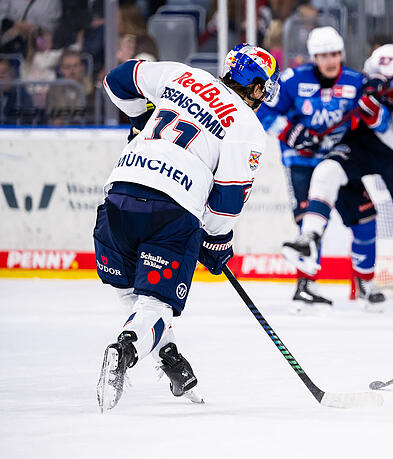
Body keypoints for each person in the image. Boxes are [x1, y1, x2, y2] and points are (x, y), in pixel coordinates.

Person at [95, 43, 280, 411]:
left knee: (132, 294)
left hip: (119, 192)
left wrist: (138, 121)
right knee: (156, 306)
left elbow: (116, 80)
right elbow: (227, 200)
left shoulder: (184, 74)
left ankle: (171, 360)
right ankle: (126, 349)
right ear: (257, 87)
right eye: (265, 88)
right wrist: (216, 241)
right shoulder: (246, 125)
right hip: (172, 208)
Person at [282, 11, 393, 298]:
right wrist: (374, 91)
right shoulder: (388, 55)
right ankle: (309, 238)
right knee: (327, 171)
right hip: (367, 140)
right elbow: (370, 86)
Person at [256, 26, 385, 312]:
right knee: (309, 224)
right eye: (325, 55)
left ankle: (365, 282)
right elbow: (264, 110)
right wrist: (291, 133)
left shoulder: (355, 81)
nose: (331, 60)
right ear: (315, 57)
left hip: (339, 162)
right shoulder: (292, 80)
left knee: (366, 218)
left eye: (336, 54)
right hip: (302, 162)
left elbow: (374, 116)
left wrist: (372, 102)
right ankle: (306, 286)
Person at [47, 48, 92, 125]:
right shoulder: (54, 90)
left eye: (76, 66)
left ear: (82, 67)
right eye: (67, 67)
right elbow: (54, 120)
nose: (72, 71)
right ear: (61, 69)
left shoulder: (91, 89)